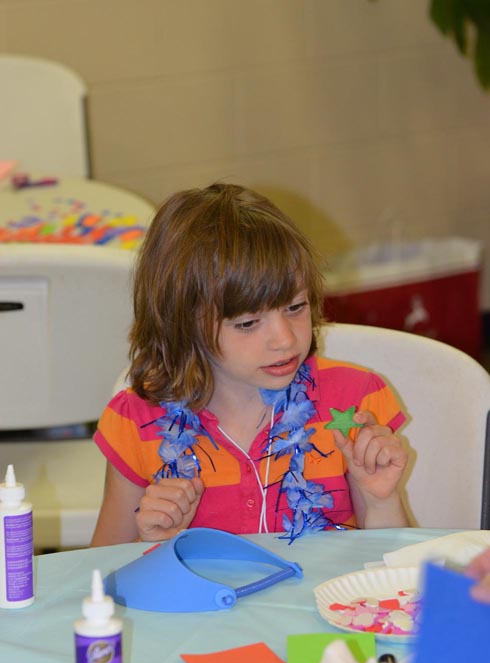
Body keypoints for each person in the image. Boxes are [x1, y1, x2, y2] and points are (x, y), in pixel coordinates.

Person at [91, 183, 409, 547]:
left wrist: (381, 500)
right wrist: (155, 544)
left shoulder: (356, 400)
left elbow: (394, 571)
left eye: (296, 307)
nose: (285, 339)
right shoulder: (135, 422)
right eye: (247, 323)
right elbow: (104, 578)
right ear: (182, 323)